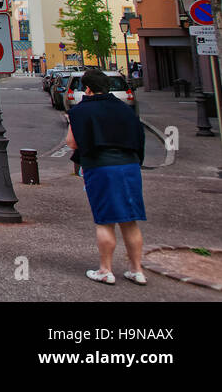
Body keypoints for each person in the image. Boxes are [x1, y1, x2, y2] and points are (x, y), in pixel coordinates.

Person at [65, 67, 148, 286]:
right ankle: (137, 270)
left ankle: (105, 270)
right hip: (129, 166)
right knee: (130, 221)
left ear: (88, 89)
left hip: (101, 167)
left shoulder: (80, 112)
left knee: (105, 221)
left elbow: (72, 143)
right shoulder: (125, 109)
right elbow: (140, 138)